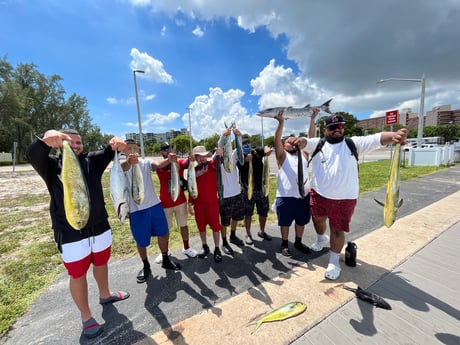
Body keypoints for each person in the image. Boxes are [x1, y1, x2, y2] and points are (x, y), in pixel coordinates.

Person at [26, 129, 130, 339]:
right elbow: (33, 155)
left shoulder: (92, 161)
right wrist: (46, 142)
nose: (75, 146)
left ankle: (105, 294)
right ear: (61, 145)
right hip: (71, 233)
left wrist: (117, 143)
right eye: (69, 142)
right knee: (78, 274)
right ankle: (86, 316)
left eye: (79, 143)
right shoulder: (52, 165)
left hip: (99, 227)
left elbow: (110, 151)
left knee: (101, 263)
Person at [296, 114, 407, 280]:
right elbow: (305, 142)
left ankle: (334, 261)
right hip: (318, 194)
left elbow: (378, 138)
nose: (337, 130)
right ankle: (321, 239)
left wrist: (394, 136)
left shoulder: (353, 143)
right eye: (332, 127)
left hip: (345, 198)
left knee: (337, 229)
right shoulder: (318, 144)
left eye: (340, 126)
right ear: (326, 129)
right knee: (318, 219)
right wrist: (298, 141)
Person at [122, 139, 180, 285]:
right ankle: (146, 265)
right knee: (141, 241)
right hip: (137, 211)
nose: (133, 151)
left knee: (164, 233)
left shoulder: (146, 162)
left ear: (139, 151)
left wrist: (169, 159)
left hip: (154, 206)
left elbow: (158, 165)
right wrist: (129, 162)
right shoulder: (122, 166)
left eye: (135, 148)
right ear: (124, 152)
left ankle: (165, 258)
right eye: (129, 148)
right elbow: (123, 167)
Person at [273, 112, 312, 256]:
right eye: (286, 142)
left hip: (303, 196)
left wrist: (312, 119)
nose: (290, 143)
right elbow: (276, 140)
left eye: (292, 141)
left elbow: (311, 138)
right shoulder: (282, 157)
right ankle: (284, 244)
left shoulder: (303, 154)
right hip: (285, 196)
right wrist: (281, 123)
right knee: (285, 223)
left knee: (301, 221)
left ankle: (298, 241)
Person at [155, 141, 197, 263]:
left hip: (180, 201)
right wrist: (169, 160)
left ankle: (186, 247)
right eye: (165, 149)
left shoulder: (178, 163)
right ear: (161, 152)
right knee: (165, 230)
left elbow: (187, 163)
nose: (167, 150)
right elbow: (157, 166)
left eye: (169, 148)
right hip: (165, 203)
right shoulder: (160, 165)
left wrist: (191, 158)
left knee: (183, 225)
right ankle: (165, 251)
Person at [188, 145, 223, 263]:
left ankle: (217, 248)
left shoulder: (212, 165)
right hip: (199, 204)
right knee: (201, 227)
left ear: (206, 156)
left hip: (212, 203)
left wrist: (220, 153)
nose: (201, 158)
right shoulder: (194, 170)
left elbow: (220, 159)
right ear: (196, 158)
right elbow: (191, 186)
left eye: (203, 156)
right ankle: (205, 246)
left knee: (215, 227)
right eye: (198, 156)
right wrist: (190, 204)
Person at [237, 134, 272, 244]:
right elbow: (240, 165)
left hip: (261, 188)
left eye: (247, 142)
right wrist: (245, 160)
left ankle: (262, 231)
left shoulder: (256, 151)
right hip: (248, 189)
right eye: (243, 143)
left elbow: (266, 149)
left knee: (263, 211)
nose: (246, 145)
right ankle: (248, 234)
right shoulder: (238, 156)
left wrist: (267, 150)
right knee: (248, 213)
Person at [217, 127, 246, 254]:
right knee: (224, 221)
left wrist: (238, 136)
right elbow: (219, 146)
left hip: (236, 193)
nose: (223, 148)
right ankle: (224, 241)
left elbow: (240, 152)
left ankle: (233, 235)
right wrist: (223, 136)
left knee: (236, 217)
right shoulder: (217, 157)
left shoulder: (233, 155)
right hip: (225, 196)